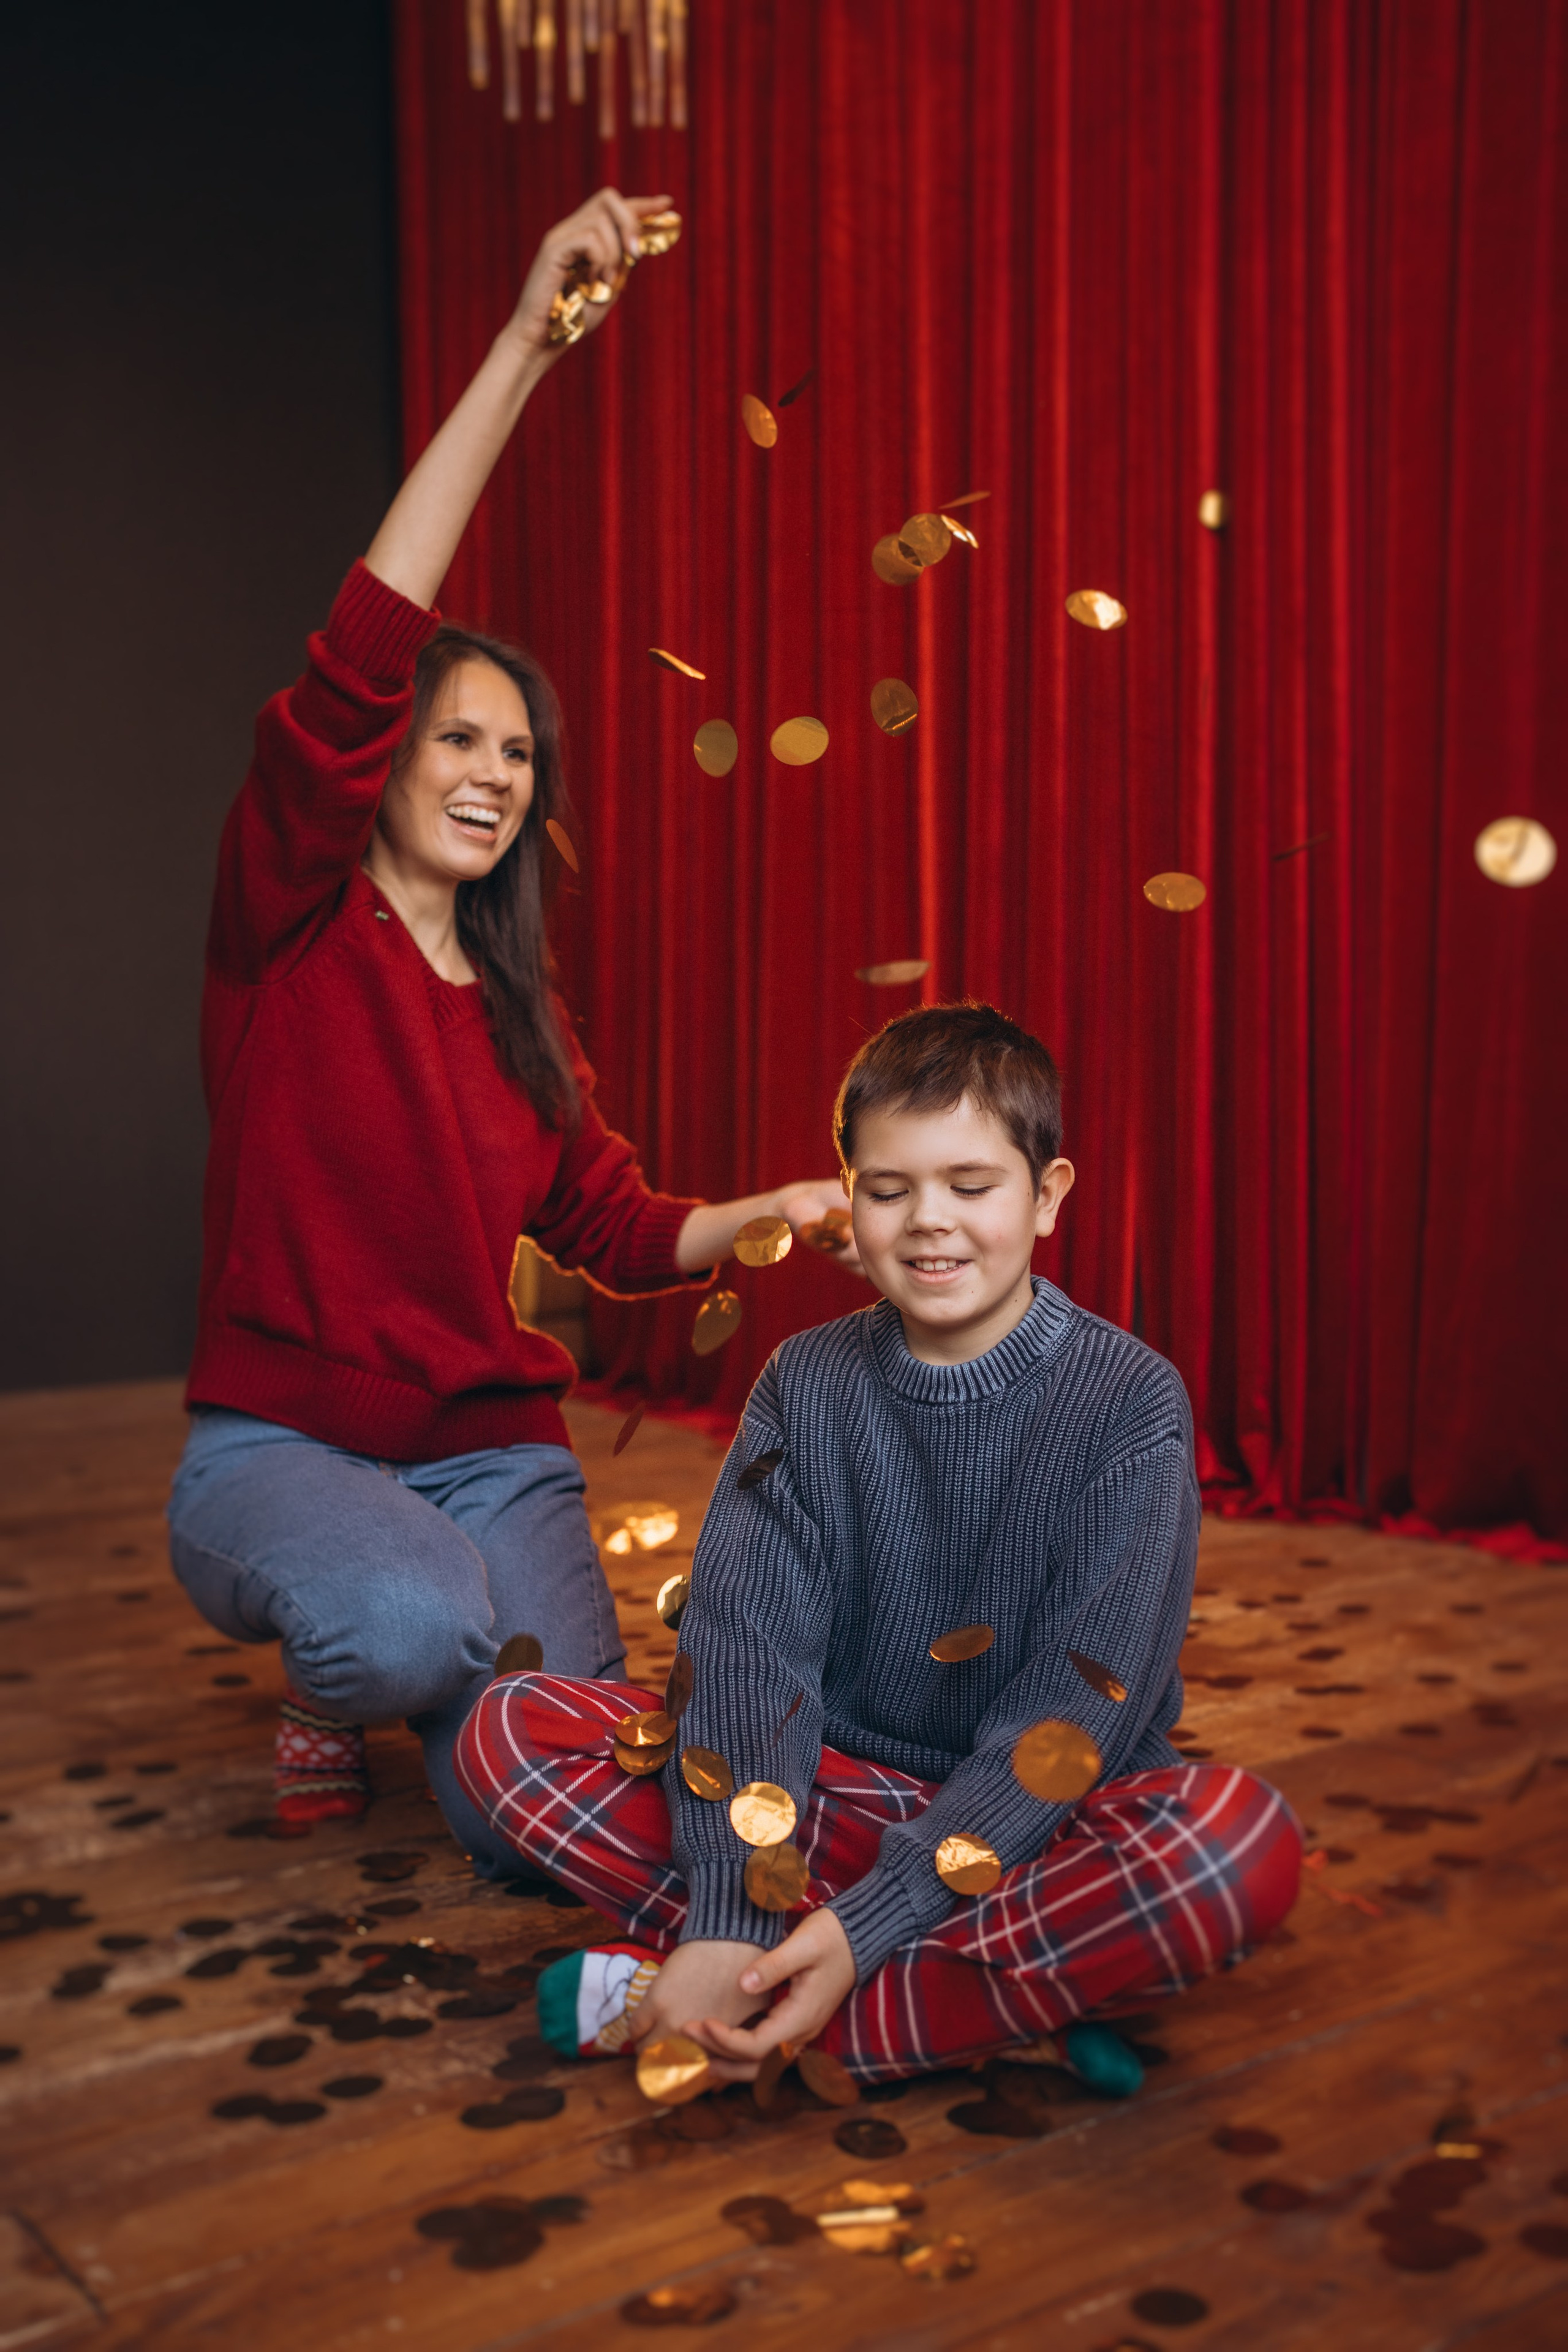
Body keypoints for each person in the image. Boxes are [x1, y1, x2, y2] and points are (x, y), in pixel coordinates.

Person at [166, 188, 856, 1872]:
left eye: (520, 755)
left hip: (492, 1452)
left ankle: (433, 1619)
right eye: (456, 739)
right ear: (383, 761)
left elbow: (612, 1222)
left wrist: (769, 1213)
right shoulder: (290, 927)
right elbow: (363, 646)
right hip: (282, 1448)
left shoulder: (523, 1014)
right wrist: (526, 345)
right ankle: (343, 1675)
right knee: (414, 1636)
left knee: (550, 1785)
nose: (490, 773)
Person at [456, 1003, 1302, 2085]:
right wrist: (732, 1899)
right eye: (889, 1192)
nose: (928, 1223)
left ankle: (747, 2009)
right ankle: (1001, 1994)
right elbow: (748, 1649)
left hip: (1046, 1821)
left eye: (971, 1186)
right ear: (849, 1204)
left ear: (1046, 1199)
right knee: (509, 1730)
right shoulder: (804, 1385)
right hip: (832, 1796)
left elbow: (1078, 1717)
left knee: (1237, 1840)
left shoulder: (1132, 1401)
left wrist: (872, 1916)